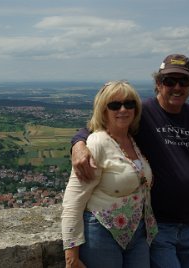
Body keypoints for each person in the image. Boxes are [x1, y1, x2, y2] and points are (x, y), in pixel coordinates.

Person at [71, 54, 189, 268]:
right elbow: (97, 126)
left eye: (184, 81)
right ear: (158, 83)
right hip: (160, 224)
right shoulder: (142, 112)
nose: (177, 87)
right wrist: (78, 145)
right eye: (169, 81)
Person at [62, 81, 158, 268]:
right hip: (102, 232)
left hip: (137, 232)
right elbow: (73, 200)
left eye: (129, 104)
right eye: (114, 105)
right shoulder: (97, 143)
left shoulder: (133, 139)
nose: (123, 109)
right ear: (103, 110)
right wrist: (71, 254)